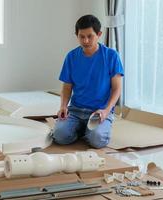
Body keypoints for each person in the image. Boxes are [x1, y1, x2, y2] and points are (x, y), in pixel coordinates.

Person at [52, 15, 124, 149]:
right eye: (81, 36)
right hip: (75, 110)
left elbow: (117, 89)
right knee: (59, 136)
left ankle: (88, 130)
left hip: (99, 111)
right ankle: (81, 129)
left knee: (97, 140)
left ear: (99, 34)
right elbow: (67, 87)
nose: (85, 40)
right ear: (77, 35)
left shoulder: (111, 56)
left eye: (90, 36)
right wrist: (63, 106)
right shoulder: (71, 57)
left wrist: (106, 111)